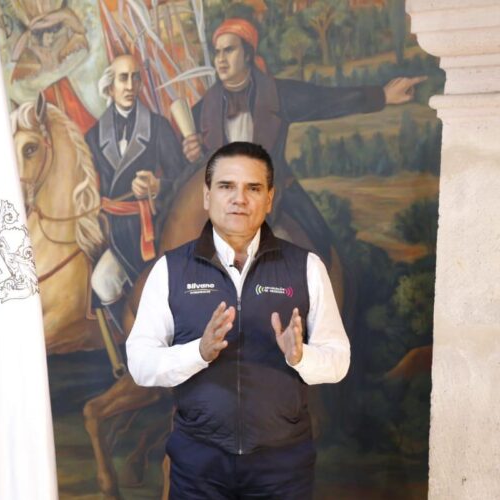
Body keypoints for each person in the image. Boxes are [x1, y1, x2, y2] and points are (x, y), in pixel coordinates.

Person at [126, 141, 350, 499]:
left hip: (283, 468)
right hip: (198, 467)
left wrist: (300, 357)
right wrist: (198, 352)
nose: (239, 199)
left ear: (270, 199)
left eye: (253, 188)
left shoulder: (307, 267)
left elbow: (338, 361)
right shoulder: (169, 270)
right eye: (226, 186)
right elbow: (140, 365)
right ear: (207, 196)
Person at [182, 18, 426, 264]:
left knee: (318, 245)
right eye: (217, 52)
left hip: (274, 194)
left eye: (229, 50)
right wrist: (192, 153)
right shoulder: (203, 109)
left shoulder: (277, 94)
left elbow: (327, 100)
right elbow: (187, 166)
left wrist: (382, 96)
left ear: (247, 54)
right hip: (223, 204)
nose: (221, 59)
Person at [84, 54, 187, 332]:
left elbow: (183, 178)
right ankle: (132, 337)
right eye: (123, 78)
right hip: (117, 234)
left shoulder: (158, 126)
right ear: (110, 87)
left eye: (135, 77)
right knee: (102, 281)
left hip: (155, 232)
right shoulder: (92, 137)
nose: (130, 86)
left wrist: (157, 186)